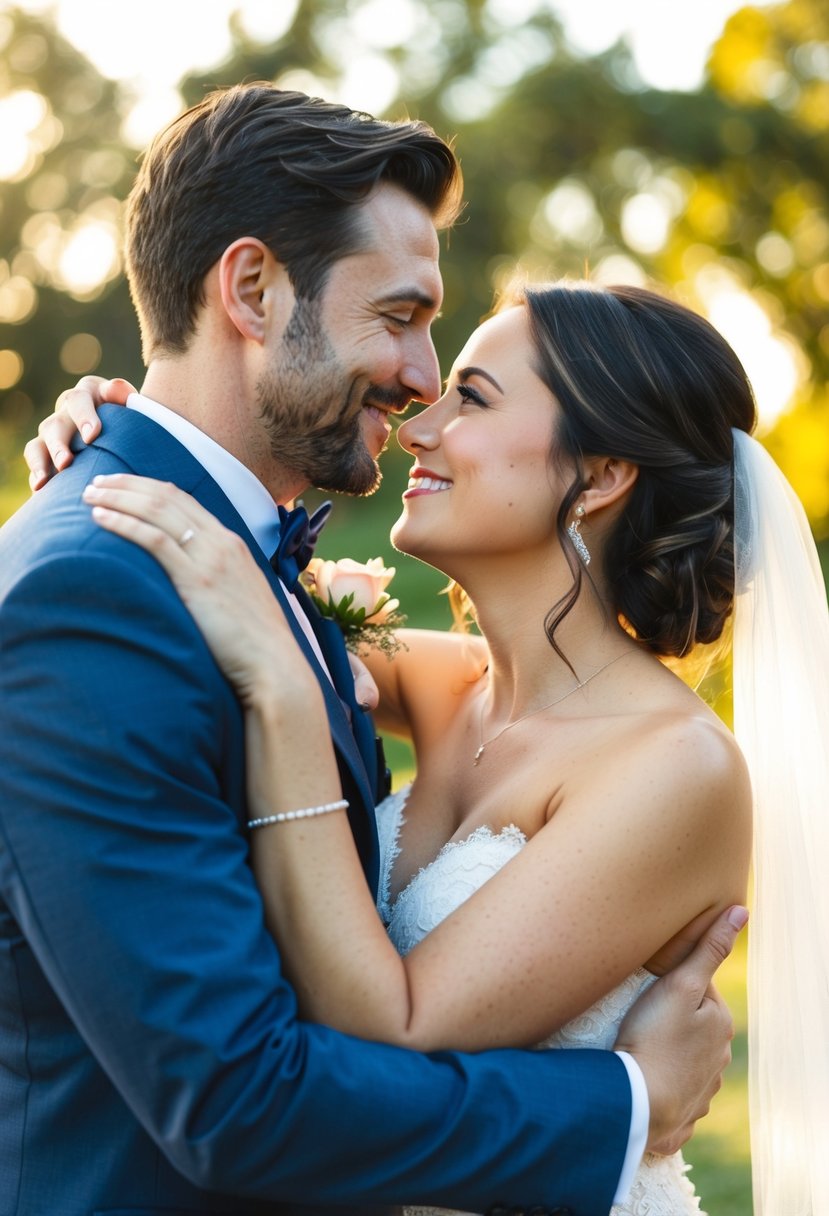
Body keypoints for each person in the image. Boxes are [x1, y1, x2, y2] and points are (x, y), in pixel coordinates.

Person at [1, 84, 743, 1216]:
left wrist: (289, 687)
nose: (422, 392)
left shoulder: (255, 593)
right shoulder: (116, 591)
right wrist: (627, 1098)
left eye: (469, 385)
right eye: (401, 318)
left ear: (598, 477)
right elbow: (240, 1098)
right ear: (249, 288)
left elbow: (376, 1019)